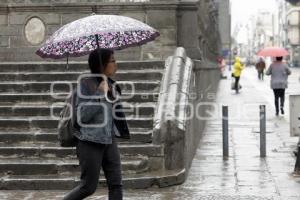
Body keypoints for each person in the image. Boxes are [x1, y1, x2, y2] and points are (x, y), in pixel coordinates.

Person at [63, 49, 130, 200]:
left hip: (109, 140)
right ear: (101, 65)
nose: (116, 64)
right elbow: (82, 116)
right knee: (88, 187)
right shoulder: (85, 85)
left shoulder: (111, 84)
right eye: (112, 61)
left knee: (116, 185)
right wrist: (100, 94)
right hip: (90, 141)